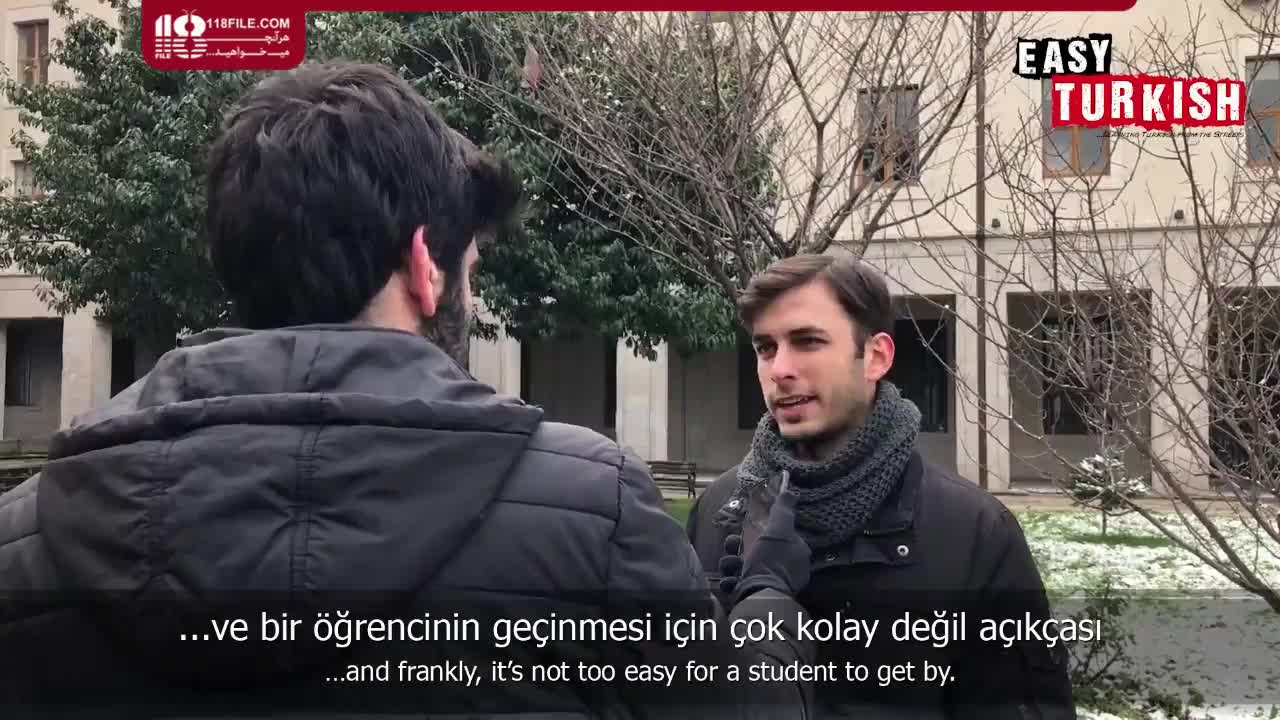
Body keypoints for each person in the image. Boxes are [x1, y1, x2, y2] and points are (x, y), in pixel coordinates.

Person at [0, 61, 815, 719]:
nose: (472, 292)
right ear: (426, 267)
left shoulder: (28, 534)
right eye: (470, 267)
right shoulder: (598, 514)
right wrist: (769, 589)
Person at [687, 253, 1076, 719]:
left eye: (808, 341)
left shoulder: (973, 531)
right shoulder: (721, 509)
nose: (780, 369)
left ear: (876, 357)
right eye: (766, 348)